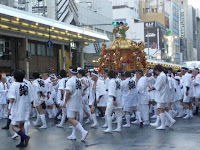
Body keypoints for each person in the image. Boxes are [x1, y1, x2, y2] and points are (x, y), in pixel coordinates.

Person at [8, 70, 31, 147]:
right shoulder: (26, 85)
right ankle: (22, 142)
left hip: (17, 108)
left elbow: (12, 98)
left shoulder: (14, 85)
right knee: (22, 125)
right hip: (25, 108)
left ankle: (25, 137)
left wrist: (9, 108)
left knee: (14, 126)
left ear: (15, 78)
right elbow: (30, 97)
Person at [148, 65, 176, 130]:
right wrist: (152, 87)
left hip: (162, 95)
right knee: (162, 109)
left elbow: (158, 86)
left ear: (157, 70)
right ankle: (171, 120)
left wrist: (151, 87)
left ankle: (163, 124)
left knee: (160, 109)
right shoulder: (163, 75)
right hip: (164, 94)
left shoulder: (161, 76)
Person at [65, 66, 88, 141]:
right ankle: (73, 134)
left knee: (71, 119)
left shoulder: (70, 81)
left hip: (72, 101)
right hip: (78, 101)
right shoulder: (79, 80)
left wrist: (65, 101)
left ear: (70, 72)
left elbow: (68, 92)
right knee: (74, 118)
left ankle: (83, 132)